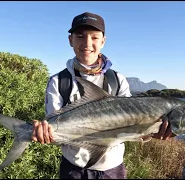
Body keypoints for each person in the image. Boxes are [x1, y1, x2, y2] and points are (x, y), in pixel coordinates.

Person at [31, 12, 174, 179]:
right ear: (70, 40)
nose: (87, 43)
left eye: (94, 37)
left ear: (103, 41)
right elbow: (55, 132)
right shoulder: (59, 81)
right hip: (73, 169)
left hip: (112, 169)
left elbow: (133, 124)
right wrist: (43, 133)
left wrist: (153, 131)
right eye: (80, 36)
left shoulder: (118, 80)